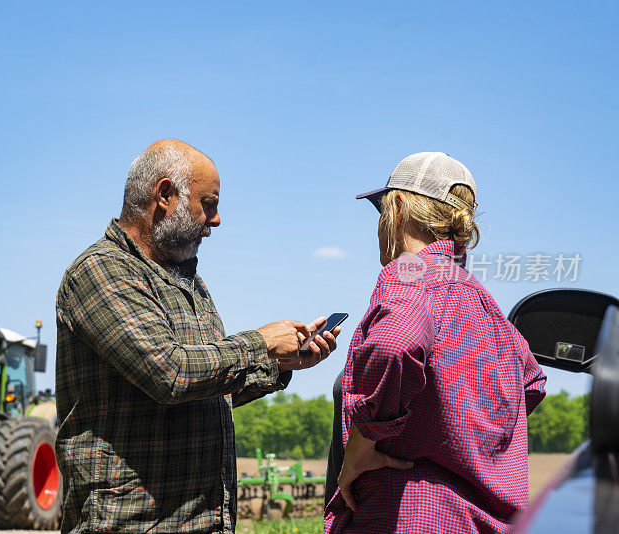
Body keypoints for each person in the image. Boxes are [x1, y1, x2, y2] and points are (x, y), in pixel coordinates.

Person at [56, 139, 341, 534]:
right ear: (165, 195)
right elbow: (170, 375)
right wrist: (260, 344)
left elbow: (206, 389)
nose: (217, 218)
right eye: (208, 203)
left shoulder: (190, 284)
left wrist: (278, 365)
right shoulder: (101, 272)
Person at [324, 152, 547, 534]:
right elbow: (532, 384)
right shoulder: (480, 298)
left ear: (397, 206)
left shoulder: (411, 271)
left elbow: (394, 345)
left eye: (380, 211)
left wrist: (361, 449)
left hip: (411, 515)